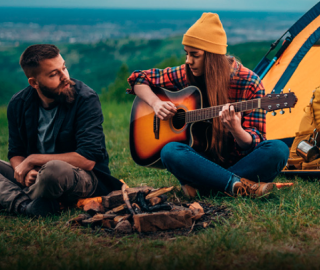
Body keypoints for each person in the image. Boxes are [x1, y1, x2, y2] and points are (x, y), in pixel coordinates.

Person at [127, 13, 289, 198]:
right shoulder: (187, 73)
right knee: (171, 151)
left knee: (278, 150)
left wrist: (237, 130)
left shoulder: (250, 82)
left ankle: (208, 187)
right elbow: (138, 79)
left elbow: (255, 142)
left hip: (239, 162)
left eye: (195, 55)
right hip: (200, 161)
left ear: (212, 57)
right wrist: (156, 103)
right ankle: (237, 185)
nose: (188, 61)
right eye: (187, 54)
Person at [0, 44, 122, 217]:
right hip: (36, 178)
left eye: (64, 68)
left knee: (53, 170)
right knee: (46, 171)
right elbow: (16, 152)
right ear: (34, 83)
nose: (65, 77)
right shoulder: (18, 104)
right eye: (53, 74)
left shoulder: (85, 99)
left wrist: (33, 160)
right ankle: (27, 206)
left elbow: (88, 160)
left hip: (80, 176)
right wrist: (25, 171)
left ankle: (13, 198)